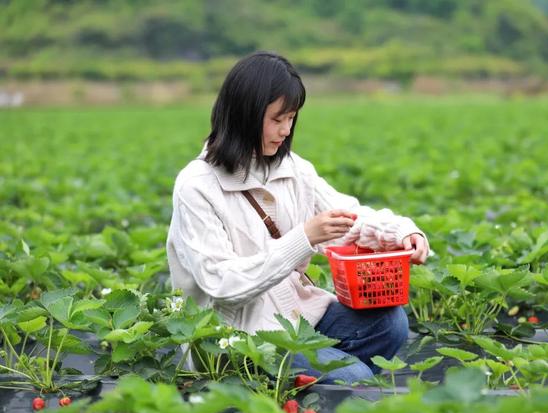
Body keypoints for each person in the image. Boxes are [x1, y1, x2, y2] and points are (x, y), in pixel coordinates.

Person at [166, 51, 429, 384]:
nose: (286, 130)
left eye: (291, 118)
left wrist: (401, 233)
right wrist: (303, 238)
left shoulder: (293, 170)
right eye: (277, 119)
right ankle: (312, 391)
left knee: (390, 323)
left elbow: (345, 216)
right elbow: (222, 284)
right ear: (243, 113)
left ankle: (309, 396)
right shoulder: (197, 186)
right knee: (353, 376)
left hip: (295, 316)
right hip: (235, 336)